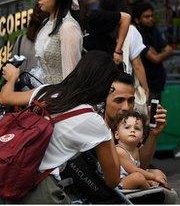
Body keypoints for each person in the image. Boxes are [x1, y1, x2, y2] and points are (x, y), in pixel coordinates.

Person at [0, 51, 122, 204]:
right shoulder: (94, 122)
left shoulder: (47, 91)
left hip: (8, 174)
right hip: (39, 189)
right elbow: (113, 179)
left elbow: (5, 97)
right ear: (103, 86)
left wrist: (12, 78)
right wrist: (107, 126)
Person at [29, 0, 83, 86]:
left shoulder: (68, 28)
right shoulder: (46, 23)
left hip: (61, 98)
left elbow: (71, 77)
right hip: (45, 96)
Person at [81, 0, 132, 64]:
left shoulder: (87, 11)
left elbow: (126, 17)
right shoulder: (96, 11)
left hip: (95, 61)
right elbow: (126, 17)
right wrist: (118, 50)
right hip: (101, 60)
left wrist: (117, 51)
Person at [113, 110, 168, 189]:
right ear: (117, 135)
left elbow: (142, 168)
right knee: (138, 177)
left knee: (158, 172)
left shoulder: (137, 149)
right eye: (127, 127)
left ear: (142, 138)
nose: (132, 130)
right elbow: (134, 170)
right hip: (119, 184)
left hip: (131, 178)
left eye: (137, 128)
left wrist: (155, 176)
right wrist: (153, 178)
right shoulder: (119, 151)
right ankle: (151, 192)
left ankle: (156, 186)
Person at [134, 2, 174, 100]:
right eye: (146, 17)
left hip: (157, 82)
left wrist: (159, 54)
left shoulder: (154, 31)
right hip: (145, 84)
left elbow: (169, 49)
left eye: (152, 16)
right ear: (137, 19)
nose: (150, 19)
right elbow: (155, 59)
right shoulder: (137, 35)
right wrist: (160, 54)